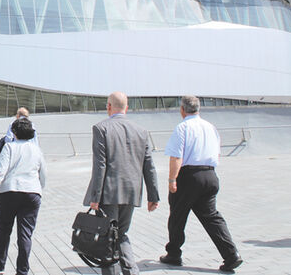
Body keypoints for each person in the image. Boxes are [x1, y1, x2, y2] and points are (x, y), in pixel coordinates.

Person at [160, 95, 242, 272]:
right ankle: (231, 254)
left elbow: (176, 156)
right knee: (212, 218)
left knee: (177, 216)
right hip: (210, 175)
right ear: (198, 109)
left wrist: (172, 179)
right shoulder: (210, 127)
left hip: (189, 176)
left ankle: (174, 253)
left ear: (182, 109)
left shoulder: (182, 128)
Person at [83, 92, 159, 275]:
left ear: (108, 106)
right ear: (127, 108)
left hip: (108, 193)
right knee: (121, 234)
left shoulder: (101, 128)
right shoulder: (141, 131)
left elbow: (100, 165)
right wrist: (153, 195)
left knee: (107, 238)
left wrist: (95, 196)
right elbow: (149, 165)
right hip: (131, 191)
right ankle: (131, 271)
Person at [0, 118, 46, 275]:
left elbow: (1, 170)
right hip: (32, 193)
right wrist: (40, 188)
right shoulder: (36, 149)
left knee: (4, 229)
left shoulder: (9, 147)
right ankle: (22, 270)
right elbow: (43, 173)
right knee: (25, 234)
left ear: (14, 132)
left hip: (9, 192)